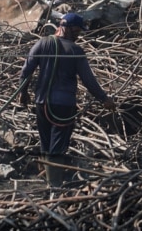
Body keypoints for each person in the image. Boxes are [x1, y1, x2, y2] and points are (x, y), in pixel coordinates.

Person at [19, 13, 116, 187]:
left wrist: (23, 93)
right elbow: (88, 79)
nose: (78, 35)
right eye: (77, 31)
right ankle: (54, 187)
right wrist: (103, 98)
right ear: (66, 28)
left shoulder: (41, 43)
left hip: (42, 103)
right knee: (57, 146)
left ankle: (47, 182)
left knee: (45, 142)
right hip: (63, 106)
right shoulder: (75, 51)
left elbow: (26, 71)